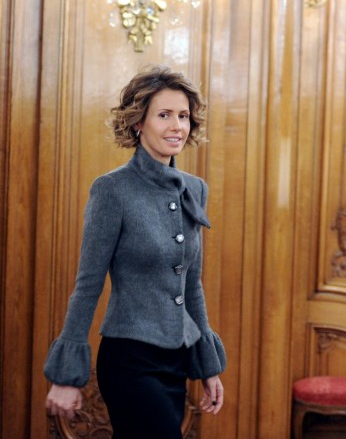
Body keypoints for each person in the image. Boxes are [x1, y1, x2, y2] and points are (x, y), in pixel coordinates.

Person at [44, 65, 226, 438]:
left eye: (183, 116)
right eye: (164, 115)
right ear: (138, 122)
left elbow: (192, 284)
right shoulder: (111, 190)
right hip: (130, 362)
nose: (177, 125)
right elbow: (88, 284)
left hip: (176, 363)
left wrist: (207, 366)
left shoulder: (195, 188)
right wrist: (67, 376)